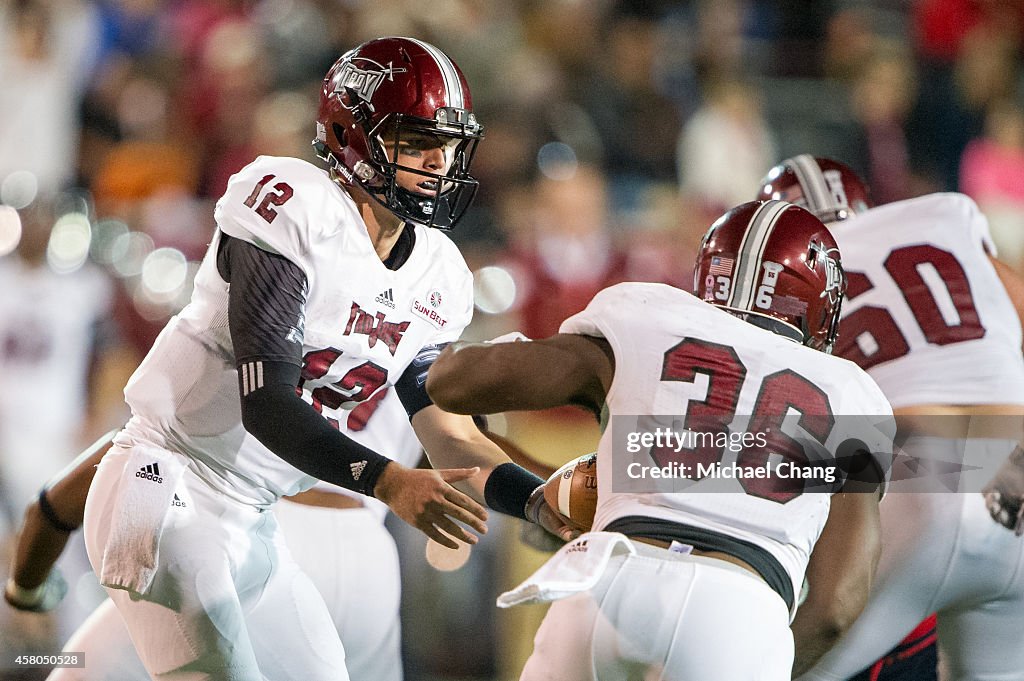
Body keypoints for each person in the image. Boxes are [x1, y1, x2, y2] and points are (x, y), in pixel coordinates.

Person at [80, 36, 559, 681]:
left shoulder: (439, 273)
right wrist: (390, 482)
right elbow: (267, 404)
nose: (437, 163)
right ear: (352, 134)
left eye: (445, 145)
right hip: (168, 481)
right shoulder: (295, 205)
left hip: (252, 515)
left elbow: (444, 429)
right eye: (415, 142)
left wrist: (543, 502)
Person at [428, 199, 896, 680]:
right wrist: (754, 659)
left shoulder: (646, 317)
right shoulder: (853, 391)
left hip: (608, 585)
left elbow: (452, 384)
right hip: (738, 609)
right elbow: (838, 605)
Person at [758, 155, 1024, 681]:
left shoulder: (795, 282)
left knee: (767, 661)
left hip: (923, 486)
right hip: (1018, 480)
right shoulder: (944, 223)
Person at [5, 389, 420, 681]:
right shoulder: (423, 323)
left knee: (80, 674)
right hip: (371, 559)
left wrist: (25, 590)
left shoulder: (255, 323)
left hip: (262, 536)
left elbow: (54, 506)